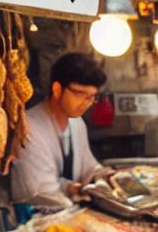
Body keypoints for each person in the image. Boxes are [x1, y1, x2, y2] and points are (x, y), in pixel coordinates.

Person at [11, 53, 110, 207]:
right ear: (57, 89)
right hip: (31, 221)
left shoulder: (77, 123)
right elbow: (41, 191)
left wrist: (105, 176)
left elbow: (87, 167)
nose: (86, 103)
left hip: (66, 215)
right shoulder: (29, 128)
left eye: (92, 97)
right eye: (80, 94)